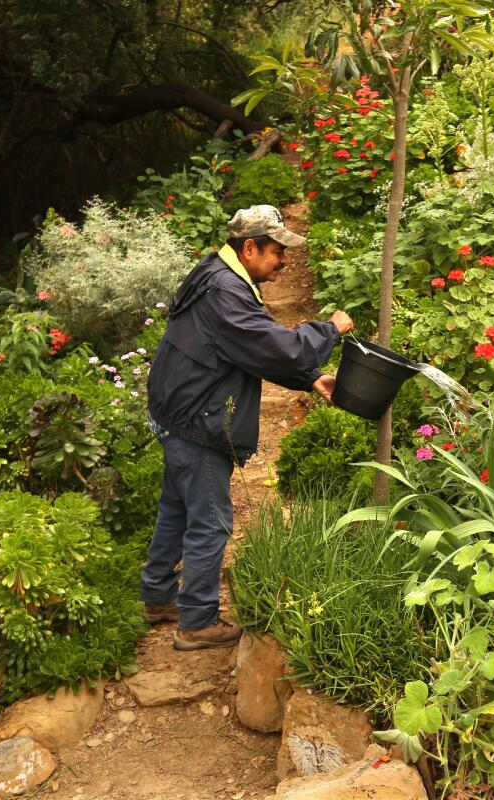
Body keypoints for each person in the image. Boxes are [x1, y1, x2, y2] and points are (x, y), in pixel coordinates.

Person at [141, 205, 353, 650]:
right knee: (211, 521)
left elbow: (245, 347)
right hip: (195, 416)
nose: (284, 262)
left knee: (177, 508)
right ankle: (196, 621)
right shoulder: (225, 290)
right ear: (250, 247)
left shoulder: (217, 270)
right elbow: (275, 345)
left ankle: (158, 596)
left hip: (175, 408)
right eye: (278, 252)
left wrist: (310, 378)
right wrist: (328, 331)